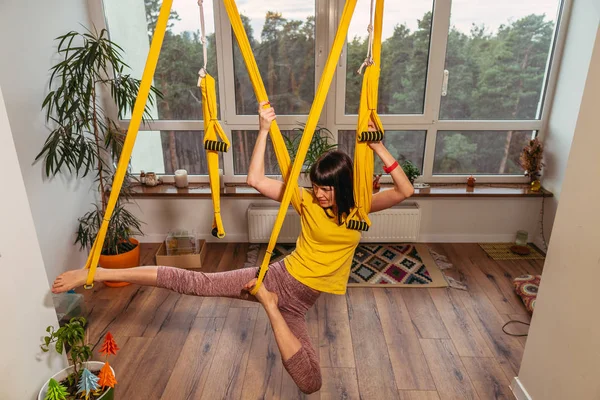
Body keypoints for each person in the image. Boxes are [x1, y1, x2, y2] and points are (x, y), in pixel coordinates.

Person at [51, 101, 415, 394]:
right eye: (316, 185)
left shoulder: (360, 206)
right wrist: (262, 132)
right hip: (279, 278)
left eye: (326, 188)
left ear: (343, 186)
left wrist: (379, 147)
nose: (319, 193)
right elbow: (255, 179)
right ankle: (97, 272)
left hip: (299, 302)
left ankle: (270, 309)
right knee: (196, 283)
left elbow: (405, 191)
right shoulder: (304, 200)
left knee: (311, 383)